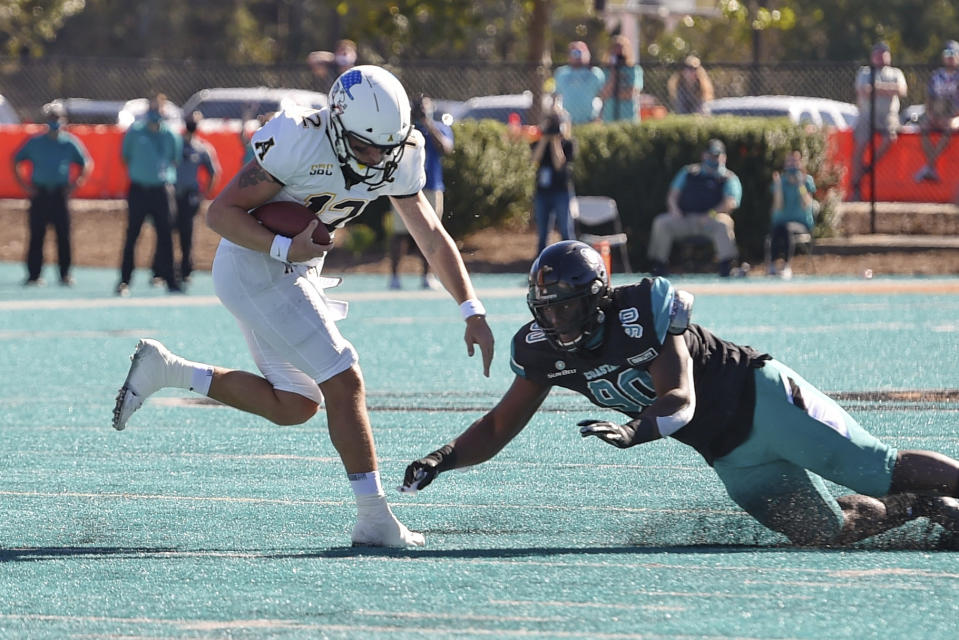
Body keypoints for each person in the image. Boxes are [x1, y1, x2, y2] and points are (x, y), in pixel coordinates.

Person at [111, 66, 495, 549]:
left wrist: (470, 308)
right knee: (344, 375)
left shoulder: (401, 151)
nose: (375, 158)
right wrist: (280, 248)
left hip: (294, 268)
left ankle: (167, 371)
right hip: (254, 264)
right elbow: (221, 213)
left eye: (385, 147)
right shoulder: (297, 138)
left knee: (295, 405)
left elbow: (432, 237)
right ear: (335, 123)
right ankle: (374, 518)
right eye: (363, 146)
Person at [401, 240, 959, 547]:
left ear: (597, 298)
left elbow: (679, 398)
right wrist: (442, 458)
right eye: (546, 309)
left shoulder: (641, 311)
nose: (556, 319)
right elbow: (499, 427)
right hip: (727, 453)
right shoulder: (545, 349)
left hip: (764, 403)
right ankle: (923, 508)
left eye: (566, 305)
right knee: (826, 533)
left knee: (875, 468)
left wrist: (632, 430)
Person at [11, 103, 91, 286]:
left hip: (59, 193)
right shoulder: (35, 142)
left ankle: (64, 274)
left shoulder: (69, 142)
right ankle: (34, 274)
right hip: (40, 193)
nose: (55, 122)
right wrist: (24, 185)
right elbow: (16, 160)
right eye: (52, 118)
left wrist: (76, 183)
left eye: (58, 118)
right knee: (37, 234)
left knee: (63, 235)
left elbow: (85, 162)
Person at [117, 94, 183, 296]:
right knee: (132, 235)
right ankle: (124, 280)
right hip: (139, 190)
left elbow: (175, 159)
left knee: (166, 236)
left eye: (159, 110)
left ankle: (170, 280)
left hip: (161, 191)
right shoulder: (135, 133)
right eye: (152, 109)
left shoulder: (171, 135)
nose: (156, 114)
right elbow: (125, 157)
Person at [647, 139, 741, 277]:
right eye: (711, 155)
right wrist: (674, 210)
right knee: (661, 222)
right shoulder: (689, 172)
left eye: (717, 155)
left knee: (724, 223)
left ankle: (726, 266)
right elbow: (672, 195)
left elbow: (730, 203)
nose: (714, 159)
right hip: (685, 218)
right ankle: (658, 265)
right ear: (704, 155)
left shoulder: (728, 178)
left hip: (711, 220)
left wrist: (711, 214)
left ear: (724, 157)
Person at [388, 94, 453, 290]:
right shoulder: (405, 129)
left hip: (432, 186)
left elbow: (445, 148)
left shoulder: (439, 128)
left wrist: (426, 122)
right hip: (405, 187)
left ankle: (427, 276)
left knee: (432, 232)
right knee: (400, 233)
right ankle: (394, 277)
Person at [851, 42, 907, 198]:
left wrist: (876, 87)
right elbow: (863, 91)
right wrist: (888, 89)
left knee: (890, 137)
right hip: (867, 115)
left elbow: (901, 90)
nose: (880, 56)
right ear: (872, 56)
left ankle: (869, 166)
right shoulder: (865, 72)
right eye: (877, 53)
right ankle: (856, 186)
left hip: (889, 115)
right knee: (860, 145)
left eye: (884, 53)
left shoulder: (896, 73)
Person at [170, 114, 219, 284]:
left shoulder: (201, 148)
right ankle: (162, 270)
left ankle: (185, 270)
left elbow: (214, 172)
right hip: (172, 194)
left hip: (189, 196)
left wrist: (204, 194)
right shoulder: (175, 145)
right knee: (167, 232)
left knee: (187, 234)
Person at [530, 109, 576, 256]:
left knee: (565, 231)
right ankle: (540, 267)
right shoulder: (538, 143)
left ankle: (570, 262)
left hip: (561, 192)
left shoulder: (568, 144)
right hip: (543, 193)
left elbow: (559, 164)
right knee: (543, 234)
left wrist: (555, 139)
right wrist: (544, 138)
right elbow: (534, 160)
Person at [768, 149, 817, 280]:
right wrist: (778, 186)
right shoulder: (781, 181)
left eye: (795, 161)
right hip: (782, 223)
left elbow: (806, 204)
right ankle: (772, 266)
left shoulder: (807, 181)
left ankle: (786, 266)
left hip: (800, 223)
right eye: (789, 161)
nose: (792, 164)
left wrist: (800, 185)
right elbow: (778, 206)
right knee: (778, 229)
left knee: (787, 229)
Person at [915, 40, 959, 183]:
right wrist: (932, 115)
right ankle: (931, 167)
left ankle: (929, 165)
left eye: (953, 53)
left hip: (955, 116)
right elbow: (929, 98)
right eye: (947, 53)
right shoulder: (936, 76)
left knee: (950, 127)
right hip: (938, 115)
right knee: (924, 127)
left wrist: (952, 116)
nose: (950, 56)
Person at [552, 41, 606, 125]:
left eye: (583, 52)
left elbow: (604, 97)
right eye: (575, 52)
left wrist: (600, 117)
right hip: (567, 122)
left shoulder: (596, 73)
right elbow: (556, 97)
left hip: (590, 121)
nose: (579, 56)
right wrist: (558, 114)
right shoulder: (561, 73)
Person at [599, 35, 643, 123]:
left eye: (622, 49)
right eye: (615, 49)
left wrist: (612, 93)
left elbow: (630, 93)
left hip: (629, 118)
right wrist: (613, 72)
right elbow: (603, 95)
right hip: (609, 117)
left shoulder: (634, 69)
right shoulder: (605, 71)